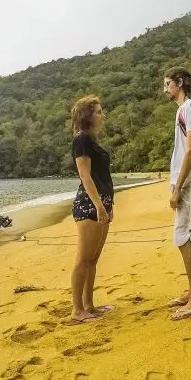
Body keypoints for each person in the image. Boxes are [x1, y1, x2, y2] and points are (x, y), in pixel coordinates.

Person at [163, 67, 191, 321]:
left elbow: (190, 151)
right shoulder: (189, 108)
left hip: (189, 183)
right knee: (185, 237)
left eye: (168, 84)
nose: (166, 89)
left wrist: (177, 186)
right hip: (188, 182)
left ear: (180, 83)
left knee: (187, 238)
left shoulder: (189, 107)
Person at [68, 95, 115, 324]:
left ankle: (89, 305)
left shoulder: (91, 141)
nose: (102, 115)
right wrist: (99, 205)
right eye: (98, 111)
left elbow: (101, 176)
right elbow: (85, 175)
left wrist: (108, 205)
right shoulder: (82, 140)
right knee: (83, 259)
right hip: (89, 205)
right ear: (87, 116)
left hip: (101, 203)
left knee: (93, 260)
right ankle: (77, 310)